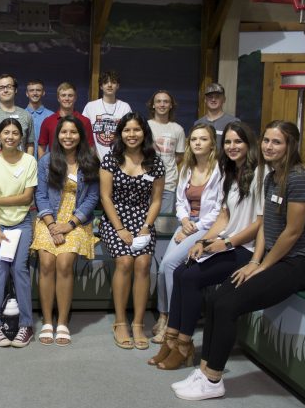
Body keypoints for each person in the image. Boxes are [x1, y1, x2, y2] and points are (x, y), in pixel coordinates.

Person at [173, 121, 305, 401]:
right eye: (266, 141)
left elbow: (292, 233)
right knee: (216, 299)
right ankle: (204, 372)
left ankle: (214, 379)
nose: (269, 146)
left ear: (291, 146)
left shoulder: (299, 178)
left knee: (228, 304)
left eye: (277, 142)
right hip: (271, 258)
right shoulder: (272, 177)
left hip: (298, 262)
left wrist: (261, 266)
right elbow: (265, 225)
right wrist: (256, 260)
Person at [149, 121, 264, 369]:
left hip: (244, 248)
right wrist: (203, 241)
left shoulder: (259, 175)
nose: (233, 147)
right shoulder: (232, 174)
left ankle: (183, 343)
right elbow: (224, 216)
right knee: (180, 271)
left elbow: (259, 224)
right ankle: (171, 340)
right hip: (222, 240)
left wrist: (226, 242)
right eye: (230, 142)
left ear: (249, 144)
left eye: (238, 142)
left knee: (188, 277)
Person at [32, 116, 99, 346]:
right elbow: (40, 195)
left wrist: (69, 224)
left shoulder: (90, 161)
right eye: (63, 132)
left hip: (77, 221)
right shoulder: (47, 160)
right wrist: (52, 225)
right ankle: (47, 321)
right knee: (48, 263)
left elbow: (92, 197)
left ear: (80, 135)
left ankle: (62, 322)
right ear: (57, 135)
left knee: (63, 264)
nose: (68, 137)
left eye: (73, 132)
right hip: (48, 218)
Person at [151, 124, 222, 344]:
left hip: (207, 227)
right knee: (164, 268)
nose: (198, 143)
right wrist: (183, 221)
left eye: (203, 139)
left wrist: (195, 227)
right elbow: (181, 201)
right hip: (186, 224)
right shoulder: (187, 168)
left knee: (171, 264)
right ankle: (163, 316)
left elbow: (220, 209)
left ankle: (174, 321)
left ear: (212, 144)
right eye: (194, 139)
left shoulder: (221, 170)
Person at [99, 112, 164, 350]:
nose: (132, 134)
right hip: (114, 219)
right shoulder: (110, 159)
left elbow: (156, 200)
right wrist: (120, 228)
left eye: (136, 130)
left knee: (143, 263)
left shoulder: (154, 161)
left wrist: (146, 227)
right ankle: (120, 322)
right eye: (127, 130)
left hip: (143, 219)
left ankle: (138, 323)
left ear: (144, 133)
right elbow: (105, 197)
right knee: (125, 262)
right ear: (121, 133)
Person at [0, 118, 38, 348]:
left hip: (22, 222)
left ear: (21, 137)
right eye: (6, 132)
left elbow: (27, 197)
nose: (11, 137)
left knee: (19, 269)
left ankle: (26, 325)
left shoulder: (29, 160)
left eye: (15, 133)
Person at [146, 90, 186, 214]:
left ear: (171, 105)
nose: (162, 104)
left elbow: (179, 156)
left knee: (163, 224)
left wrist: (166, 164)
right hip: (146, 182)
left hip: (168, 183)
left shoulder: (178, 129)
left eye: (166, 101)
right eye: (158, 101)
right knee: (144, 222)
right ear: (153, 105)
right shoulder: (145, 126)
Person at [82, 70, 132, 160]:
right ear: (101, 86)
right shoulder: (90, 106)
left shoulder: (125, 107)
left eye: (113, 82)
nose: (109, 85)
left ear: (118, 86)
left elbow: (129, 134)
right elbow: (82, 132)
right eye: (105, 82)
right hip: (95, 161)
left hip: (119, 161)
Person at [37, 82, 93, 157]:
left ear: (75, 98)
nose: (67, 99)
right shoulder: (48, 121)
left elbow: (90, 147)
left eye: (70, 95)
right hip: (54, 165)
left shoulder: (85, 121)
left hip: (78, 165)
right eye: (63, 95)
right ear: (58, 98)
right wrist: (43, 165)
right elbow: (41, 147)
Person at [194, 83, 239, 148]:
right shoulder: (198, 123)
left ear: (224, 99)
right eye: (210, 97)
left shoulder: (234, 122)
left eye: (217, 97)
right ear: (205, 100)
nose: (213, 100)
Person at [24, 80, 53, 157]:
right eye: (31, 90)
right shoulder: (21, 115)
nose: (35, 93)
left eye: (38, 90)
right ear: (27, 93)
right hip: (24, 162)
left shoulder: (51, 116)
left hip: (46, 163)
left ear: (43, 93)